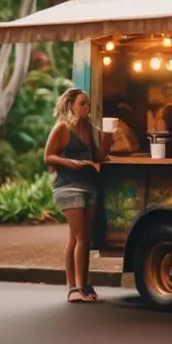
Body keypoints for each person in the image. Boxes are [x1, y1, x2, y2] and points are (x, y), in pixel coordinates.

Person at [44, 88, 111, 303]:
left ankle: (82, 284)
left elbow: (100, 156)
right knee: (81, 237)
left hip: (89, 185)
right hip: (69, 186)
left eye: (88, 104)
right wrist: (70, 162)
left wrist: (109, 135)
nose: (87, 107)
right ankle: (76, 287)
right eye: (82, 103)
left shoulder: (90, 129)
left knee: (78, 237)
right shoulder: (63, 128)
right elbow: (48, 156)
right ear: (71, 104)